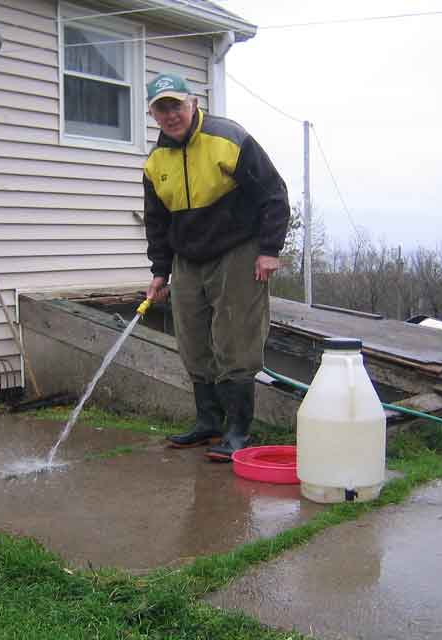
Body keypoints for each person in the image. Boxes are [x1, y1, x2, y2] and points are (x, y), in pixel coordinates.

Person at [142, 72, 290, 462]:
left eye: (176, 105)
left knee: (235, 338)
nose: (171, 115)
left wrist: (269, 249)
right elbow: (156, 222)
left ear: (192, 103)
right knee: (192, 340)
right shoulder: (155, 162)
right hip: (187, 257)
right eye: (161, 109)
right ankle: (208, 422)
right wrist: (160, 271)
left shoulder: (229, 139)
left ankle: (238, 431)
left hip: (237, 249)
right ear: (153, 114)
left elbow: (274, 193)